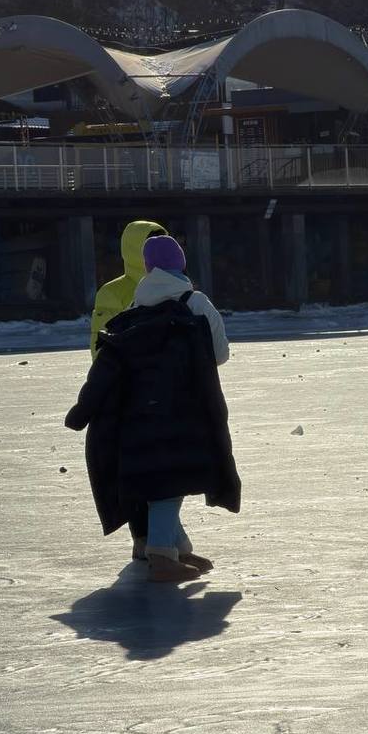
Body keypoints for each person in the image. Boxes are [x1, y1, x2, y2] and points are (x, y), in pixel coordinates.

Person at [66, 235, 239, 582]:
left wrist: (83, 410)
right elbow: (220, 354)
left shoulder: (133, 312)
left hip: (135, 415)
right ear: (182, 266)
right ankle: (162, 554)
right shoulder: (197, 303)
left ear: (146, 268)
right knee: (170, 481)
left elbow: (109, 364)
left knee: (157, 476)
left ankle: (173, 546)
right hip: (186, 409)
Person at [89, 219, 167, 358]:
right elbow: (101, 346)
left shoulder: (176, 286)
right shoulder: (112, 293)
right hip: (132, 375)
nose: (157, 250)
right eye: (149, 245)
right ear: (135, 249)